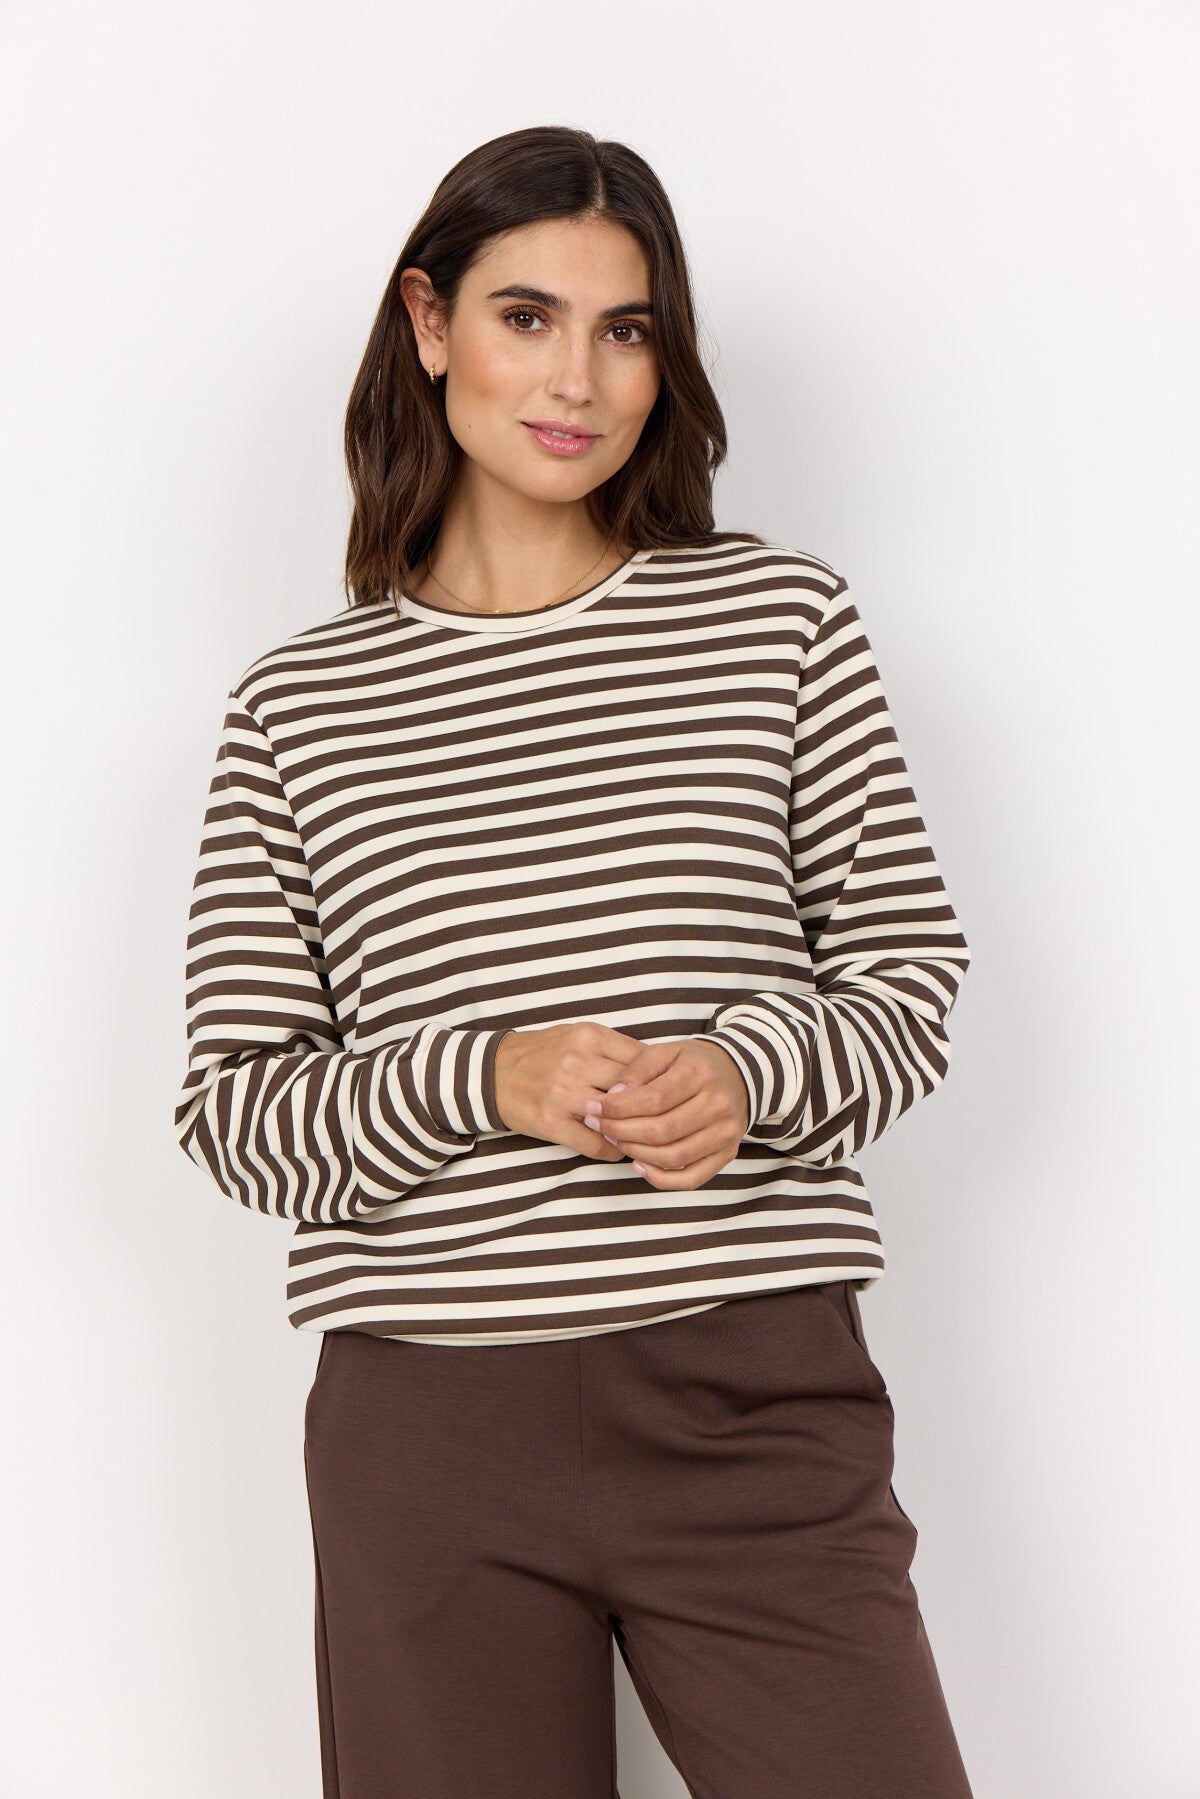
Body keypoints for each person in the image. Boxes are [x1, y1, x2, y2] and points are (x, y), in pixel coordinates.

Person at [172, 124, 975, 1799]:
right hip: (428, 1434)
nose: (578, 381)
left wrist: (749, 1071)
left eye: (627, 330)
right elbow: (237, 1114)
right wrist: (487, 1075)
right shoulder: (297, 708)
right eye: (525, 317)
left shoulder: (779, 624)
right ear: (428, 322)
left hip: (753, 1391)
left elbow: (906, 983)